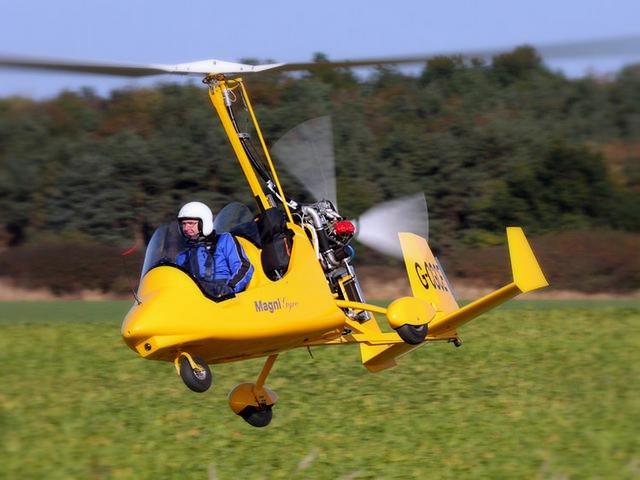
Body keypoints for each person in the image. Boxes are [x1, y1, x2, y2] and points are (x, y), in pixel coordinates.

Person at [175, 201, 253, 298]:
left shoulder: (224, 240)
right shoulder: (182, 257)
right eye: (184, 224)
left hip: (224, 296)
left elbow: (244, 267)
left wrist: (230, 288)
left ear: (204, 223)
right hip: (198, 298)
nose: (186, 228)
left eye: (191, 223)